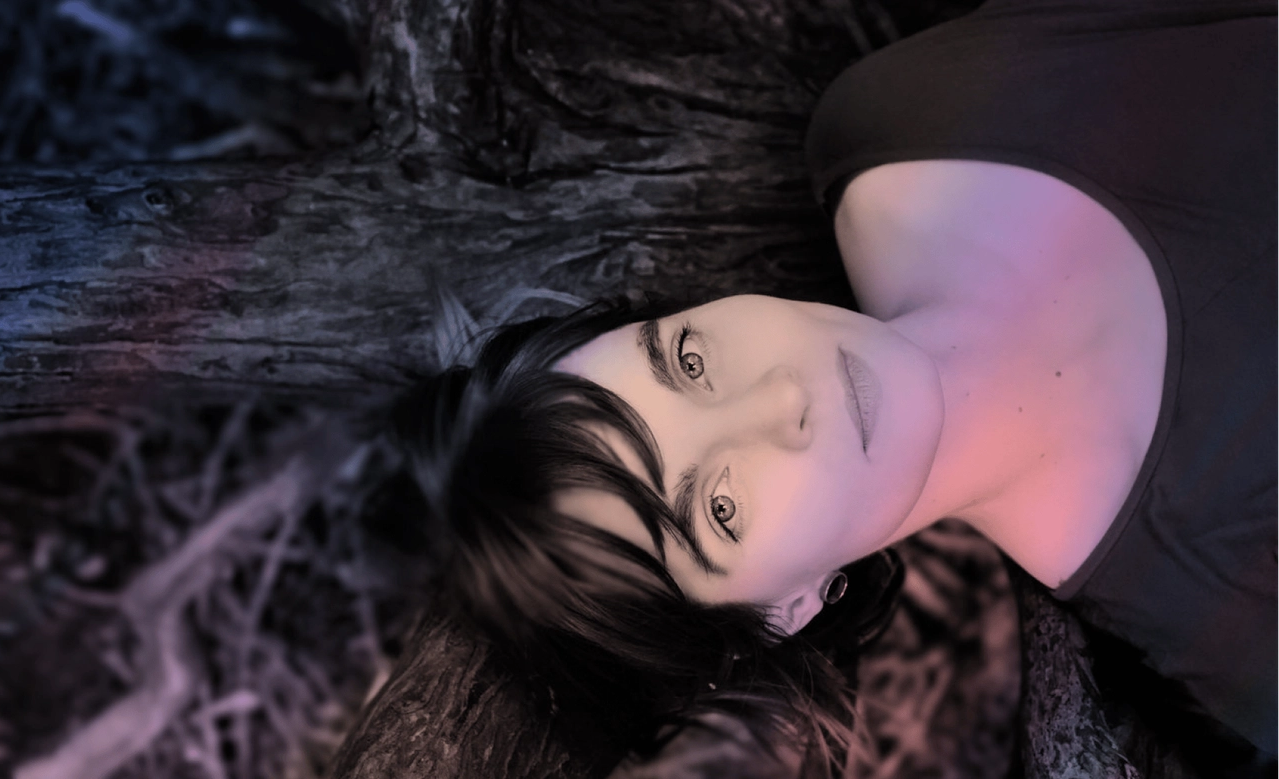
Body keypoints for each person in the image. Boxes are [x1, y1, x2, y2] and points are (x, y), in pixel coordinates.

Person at [390, 0, 1278, 775]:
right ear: (783, 612)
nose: (780, 398)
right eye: (719, 509)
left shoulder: (911, 125)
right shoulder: (1236, 629)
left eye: (688, 360)